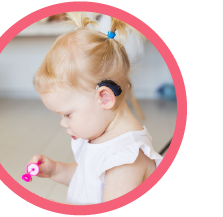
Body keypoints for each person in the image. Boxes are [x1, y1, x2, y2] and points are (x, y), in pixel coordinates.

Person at [27, 12, 163, 205]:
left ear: (105, 98)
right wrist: (56, 170)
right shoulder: (102, 138)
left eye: (67, 114)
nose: (62, 122)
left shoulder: (125, 159)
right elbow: (89, 179)